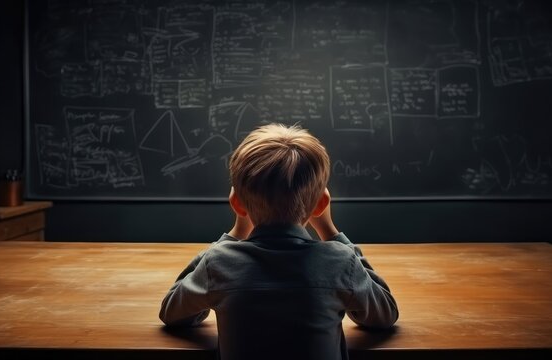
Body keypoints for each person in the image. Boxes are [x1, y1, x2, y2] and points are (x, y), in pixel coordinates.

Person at [159, 123, 399, 360]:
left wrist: (234, 234)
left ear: (236, 203)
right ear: (321, 205)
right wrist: (329, 230)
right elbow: (384, 315)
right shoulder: (341, 263)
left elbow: (172, 313)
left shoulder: (218, 264)